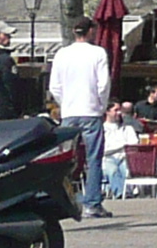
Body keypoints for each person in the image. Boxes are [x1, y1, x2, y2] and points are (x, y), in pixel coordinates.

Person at [47, 20, 115, 217]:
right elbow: (103, 84)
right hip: (91, 111)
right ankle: (92, 203)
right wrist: (100, 106)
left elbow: (55, 86)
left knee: (64, 159)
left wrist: (64, 103)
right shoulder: (98, 53)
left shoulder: (62, 53)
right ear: (91, 31)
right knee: (93, 159)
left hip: (69, 112)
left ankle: (64, 200)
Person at [100, 100, 136, 205]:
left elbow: (133, 145)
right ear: (107, 112)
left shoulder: (127, 128)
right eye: (116, 110)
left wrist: (119, 148)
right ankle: (121, 194)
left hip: (125, 157)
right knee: (112, 170)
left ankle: (127, 193)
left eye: (120, 110)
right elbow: (104, 150)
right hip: (107, 158)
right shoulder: (102, 129)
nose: (119, 113)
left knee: (126, 169)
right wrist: (123, 146)